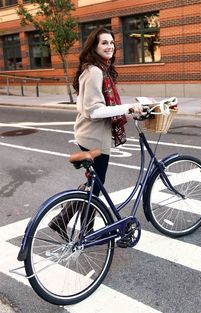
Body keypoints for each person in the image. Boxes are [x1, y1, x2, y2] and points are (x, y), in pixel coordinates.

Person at [49, 27, 142, 240]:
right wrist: (128, 108)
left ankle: (63, 221)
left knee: (94, 183)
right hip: (94, 136)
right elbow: (95, 110)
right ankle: (86, 231)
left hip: (90, 133)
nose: (110, 46)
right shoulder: (95, 71)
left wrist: (129, 110)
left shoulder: (99, 69)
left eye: (112, 42)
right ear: (95, 46)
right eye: (104, 43)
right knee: (96, 186)